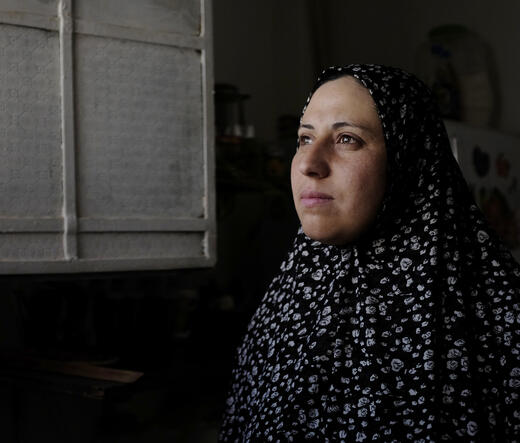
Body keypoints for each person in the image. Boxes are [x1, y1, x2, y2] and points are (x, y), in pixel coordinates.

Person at [218, 64, 520, 442]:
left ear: (408, 158)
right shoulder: (286, 300)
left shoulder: (499, 318)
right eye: (304, 139)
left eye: (347, 139)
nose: (310, 164)